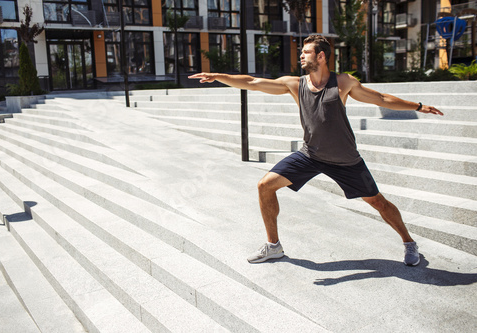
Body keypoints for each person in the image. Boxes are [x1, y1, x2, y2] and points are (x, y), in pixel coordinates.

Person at [188, 35, 443, 266]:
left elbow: (381, 99)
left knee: (377, 201)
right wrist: (219, 76)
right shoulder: (294, 84)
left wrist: (419, 106)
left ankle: (409, 243)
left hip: (345, 160)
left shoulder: (343, 83)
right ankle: (274, 246)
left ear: (321, 56)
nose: (301, 56)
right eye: (301, 52)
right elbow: (253, 82)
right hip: (310, 155)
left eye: (306, 52)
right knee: (265, 185)